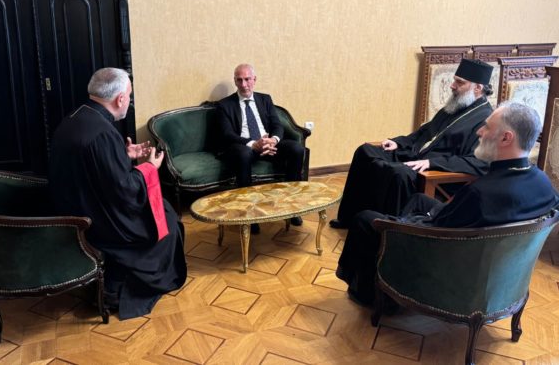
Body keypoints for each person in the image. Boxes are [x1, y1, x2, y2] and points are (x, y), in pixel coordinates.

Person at [336, 102, 559, 306]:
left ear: (506, 138)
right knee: (418, 200)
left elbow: (436, 230)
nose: (480, 132)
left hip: (450, 265)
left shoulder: (481, 193)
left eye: (487, 127)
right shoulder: (543, 184)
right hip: (498, 269)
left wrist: (402, 223)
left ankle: (375, 294)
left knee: (364, 219)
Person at [49, 67, 187, 320]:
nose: (129, 101)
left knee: (163, 211)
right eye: (129, 96)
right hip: (98, 219)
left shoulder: (76, 117)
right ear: (120, 99)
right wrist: (149, 167)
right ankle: (118, 287)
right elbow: (125, 190)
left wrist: (123, 155)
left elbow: (98, 170)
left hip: (75, 206)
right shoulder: (103, 133)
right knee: (167, 220)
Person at [330, 58, 494, 229]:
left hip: (437, 173)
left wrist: (431, 163)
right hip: (415, 154)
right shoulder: (456, 104)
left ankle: (387, 232)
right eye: (454, 80)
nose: (452, 86)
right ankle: (349, 218)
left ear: (477, 88)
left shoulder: (485, 120)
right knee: (365, 151)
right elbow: (425, 131)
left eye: (459, 82)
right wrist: (399, 143)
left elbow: (479, 163)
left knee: (399, 173)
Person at [217, 63, 305, 234]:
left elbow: (277, 125)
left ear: (254, 79)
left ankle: (291, 207)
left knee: (297, 149)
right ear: (235, 81)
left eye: (247, 79)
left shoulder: (265, 99)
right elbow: (227, 134)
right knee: (243, 154)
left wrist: (273, 140)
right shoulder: (225, 105)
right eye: (239, 80)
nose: (244, 84)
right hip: (244, 146)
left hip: (268, 143)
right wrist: (253, 144)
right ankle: (250, 214)